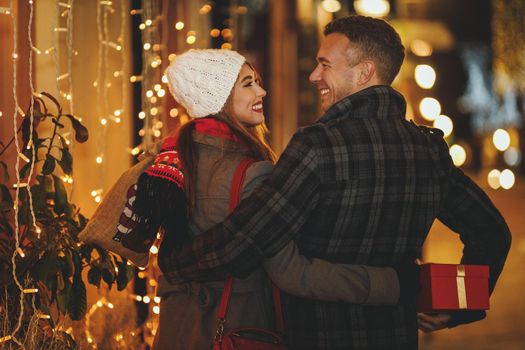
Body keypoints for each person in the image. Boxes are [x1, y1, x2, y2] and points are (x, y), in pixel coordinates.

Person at [159, 16, 512, 349]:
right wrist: (459, 306)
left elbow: (247, 239)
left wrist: (174, 262)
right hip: (395, 336)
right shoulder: (427, 148)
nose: (314, 75)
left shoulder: (317, 145)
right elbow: (491, 232)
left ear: (364, 72)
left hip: (317, 336)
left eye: (325, 64)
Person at [151, 49, 415, 350]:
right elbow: (290, 271)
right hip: (237, 331)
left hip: (179, 328)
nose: (261, 91)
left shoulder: (172, 158)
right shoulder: (254, 173)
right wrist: (391, 284)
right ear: (218, 98)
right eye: (248, 83)